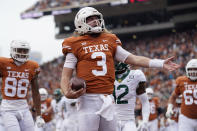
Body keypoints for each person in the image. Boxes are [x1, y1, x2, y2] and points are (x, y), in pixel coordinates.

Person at [60, 7, 180, 131]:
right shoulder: (74, 43)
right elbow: (65, 75)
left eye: (96, 18)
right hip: (87, 100)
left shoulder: (110, 39)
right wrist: (66, 91)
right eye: (90, 19)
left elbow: (134, 59)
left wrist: (160, 63)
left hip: (108, 98)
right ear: (80, 22)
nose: (95, 21)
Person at [0, 40, 45, 131]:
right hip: (8, 108)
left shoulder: (33, 66)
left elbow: (35, 93)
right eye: (20, 50)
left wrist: (39, 115)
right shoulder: (3, 63)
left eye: (25, 50)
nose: (22, 53)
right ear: (13, 50)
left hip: (24, 107)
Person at [113, 63, 150, 131]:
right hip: (111, 121)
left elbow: (144, 101)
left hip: (128, 120)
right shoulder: (107, 77)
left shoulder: (135, 75)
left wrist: (145, 121)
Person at [166, 59, 197, 131]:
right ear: (187, 70)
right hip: (186, 118)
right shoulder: (181, 81)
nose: (193, 71)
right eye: (190, 69)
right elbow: (173, 97)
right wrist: (169, 108)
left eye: (195, 69)